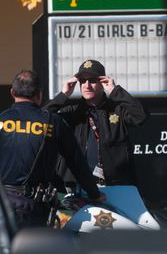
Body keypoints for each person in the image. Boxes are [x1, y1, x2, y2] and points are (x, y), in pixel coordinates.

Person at [0, 70, 105, 229]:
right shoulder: (52, 122)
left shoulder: (2, 120)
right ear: (39, 94)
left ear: (13, 92)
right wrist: (94, 194)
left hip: (2, 205)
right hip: (32, 207)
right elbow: (77, 162)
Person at [44, 59, 147, 191]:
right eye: (82, 81)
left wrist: (116, 91)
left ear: (102, 82)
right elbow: (40, 119)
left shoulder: (117, 110)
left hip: (113, 186)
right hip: (75, 187)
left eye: (92, 80)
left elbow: (140, 116)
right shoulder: (71, 112)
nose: (87, 85)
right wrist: (63, 95)